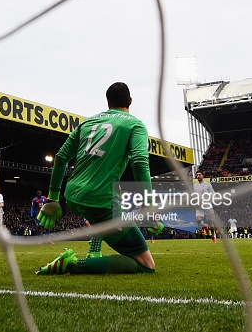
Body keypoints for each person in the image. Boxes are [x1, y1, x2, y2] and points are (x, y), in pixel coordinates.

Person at [35, 82, 162, 275]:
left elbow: (60, 158)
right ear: (130, 101)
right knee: (146, 265)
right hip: (100, 199)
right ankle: (71, 265)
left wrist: (53, 198)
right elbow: (139, 162)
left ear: (108, 102)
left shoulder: (88, 122)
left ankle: (94, 250)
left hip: (72, 194)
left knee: (101, 216)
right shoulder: (135, 124)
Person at [193, 170, 217, 243]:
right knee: (198, 219)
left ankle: (213, 235)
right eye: (197, 175)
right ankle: (204, 226)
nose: (198, 176)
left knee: (210, 222)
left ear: (203, 175)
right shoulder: (195, 185)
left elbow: (213, 193)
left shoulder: (208, 185)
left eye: (200, 174)